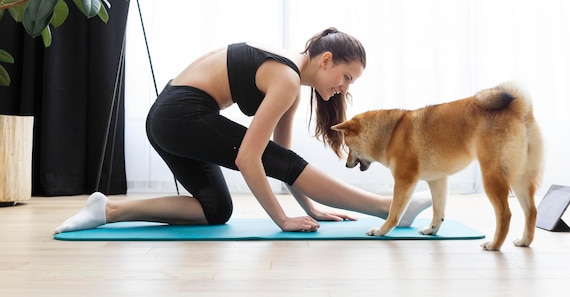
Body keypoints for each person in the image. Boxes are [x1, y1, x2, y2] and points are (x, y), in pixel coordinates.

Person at [55, 28, 431, 234]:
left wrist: (309, 206)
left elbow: (281, 165)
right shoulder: (285, 77)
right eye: (345, 77)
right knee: (262, 162)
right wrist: (282, 220)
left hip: (170, 118)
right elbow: (249, 158)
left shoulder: (289, 84)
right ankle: (390, 208)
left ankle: (107, 208)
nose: (344, 88)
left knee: (215, 210)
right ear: (326, 59)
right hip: (179, 115)